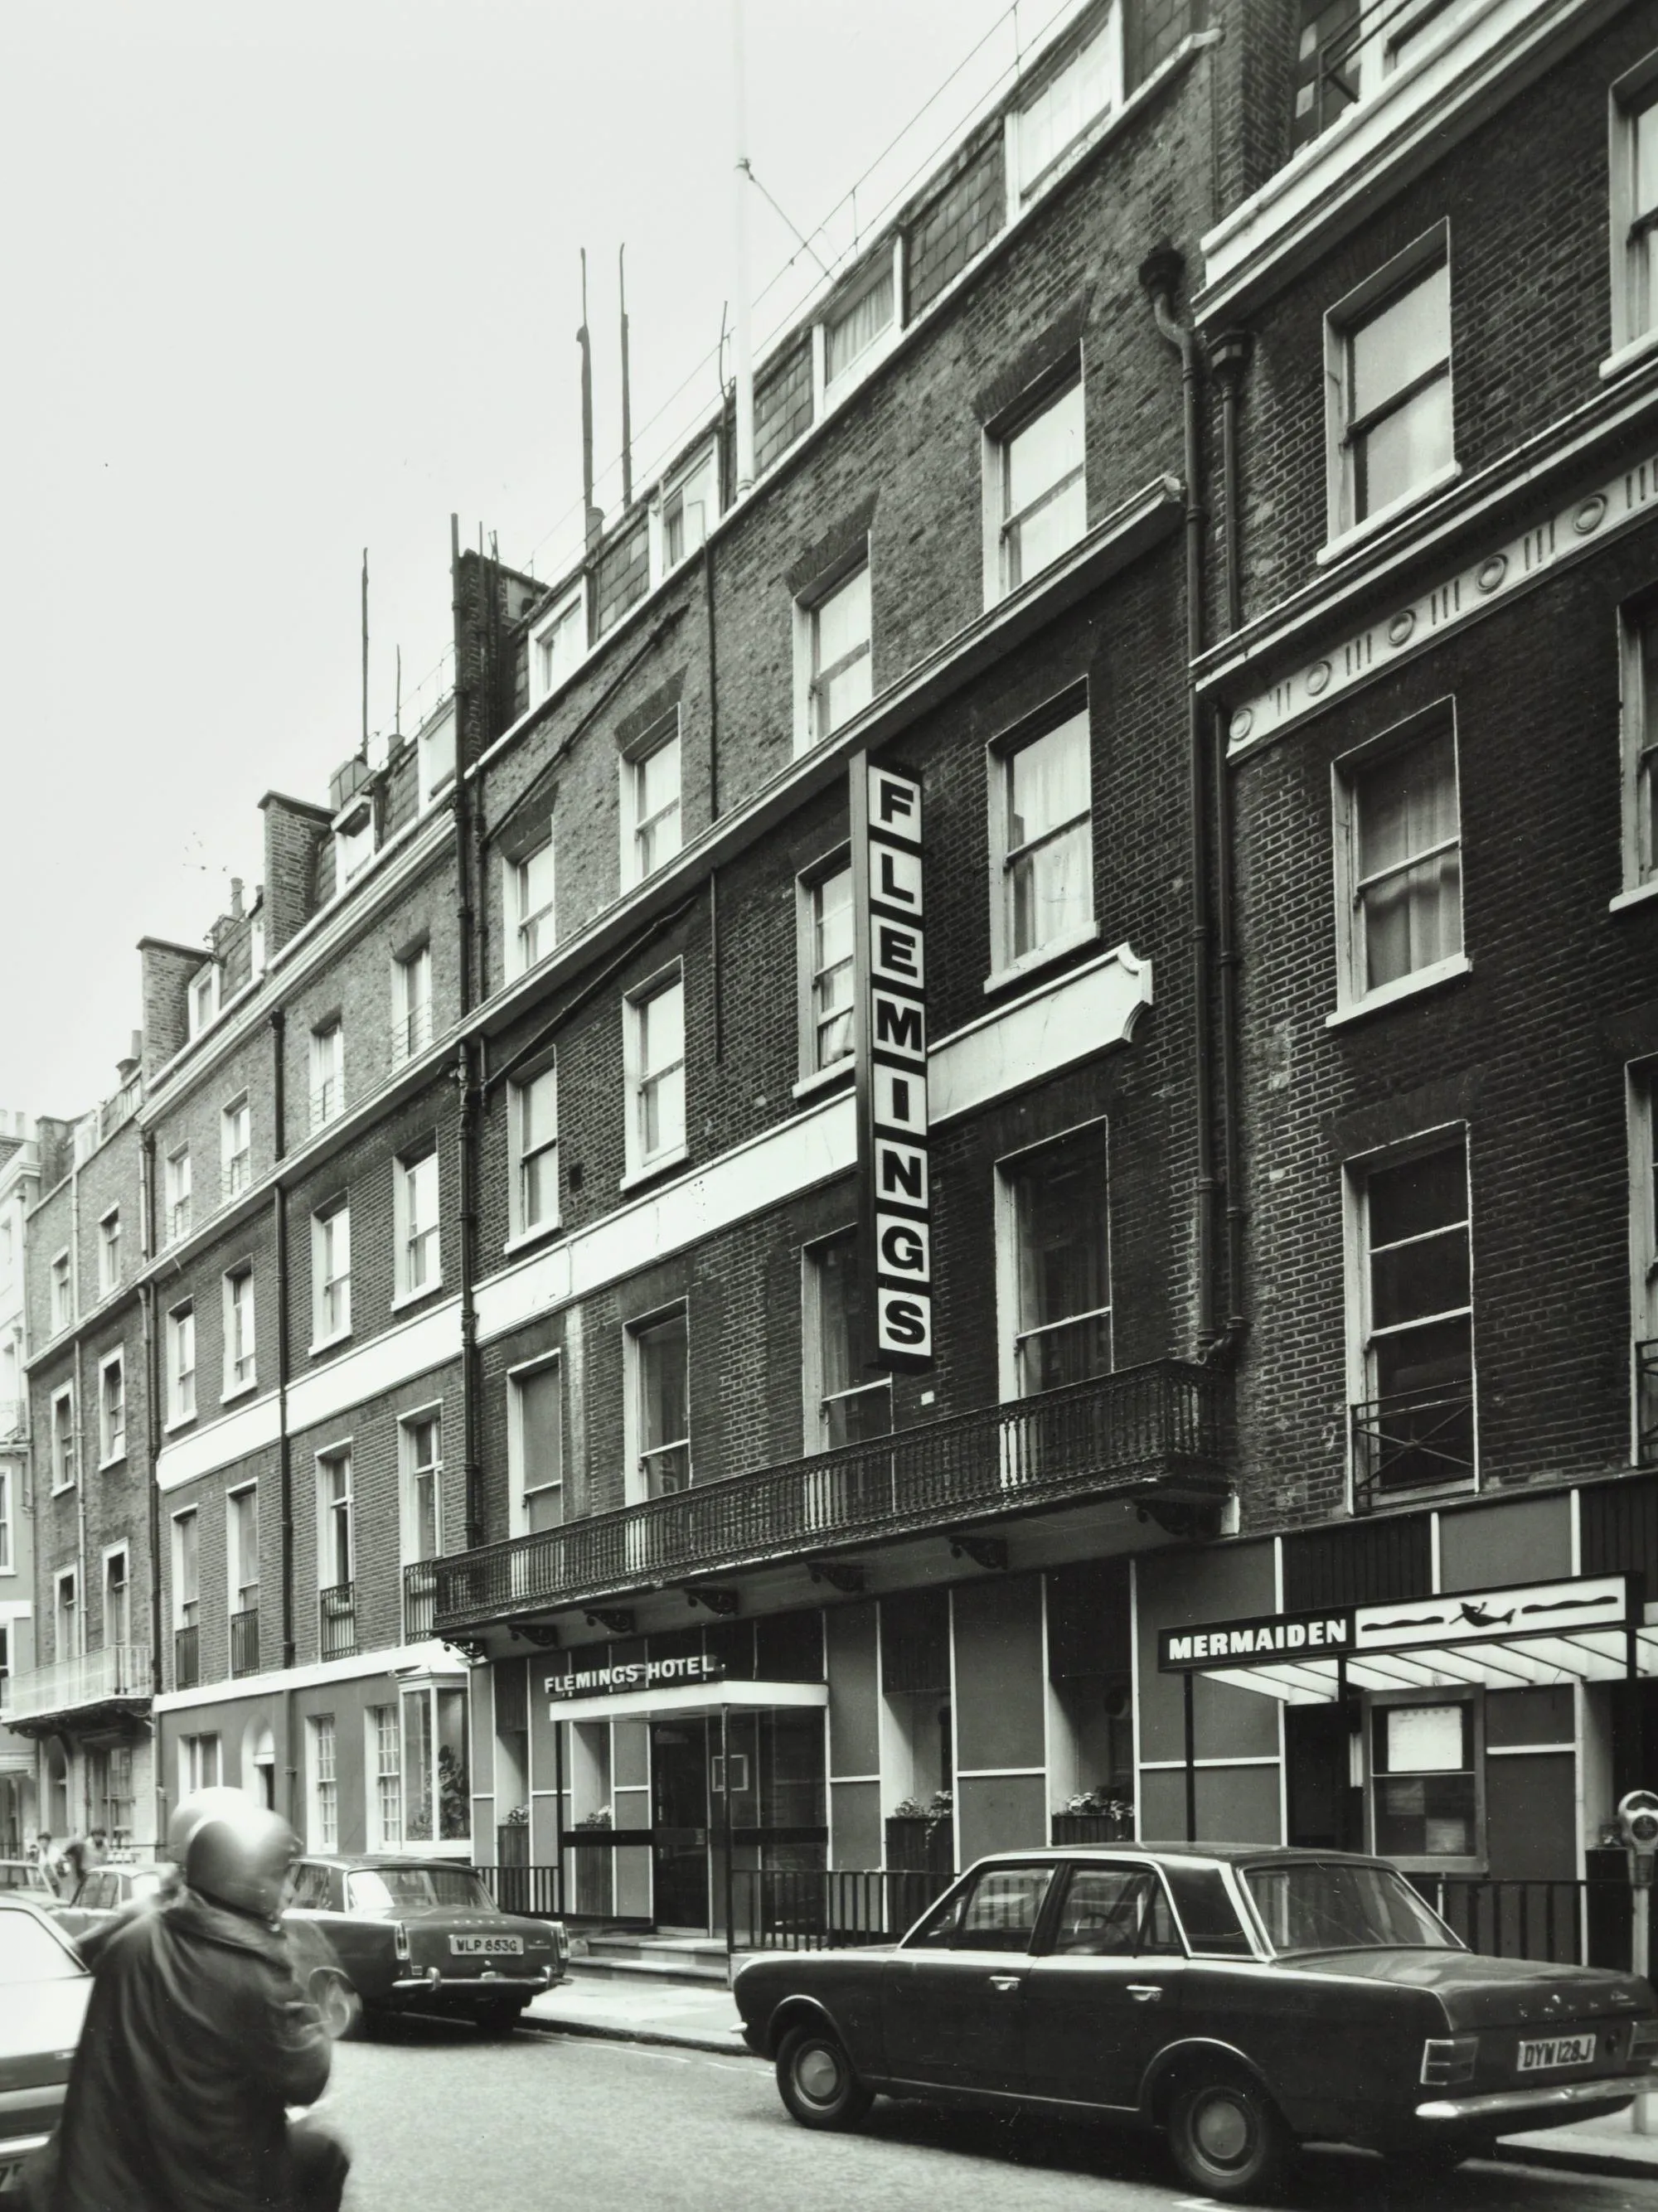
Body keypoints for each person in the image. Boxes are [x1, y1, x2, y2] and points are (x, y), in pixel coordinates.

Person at [39, 1790, 349, 2212]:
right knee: (323, 2155)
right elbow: (307, 2079)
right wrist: (322, 2021)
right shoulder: (255, 1970)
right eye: (282, 1876)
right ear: (252, 1878)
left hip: (100, 2180)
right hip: (203, 2186)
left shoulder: (134, 1939)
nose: (291, 1892)